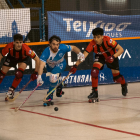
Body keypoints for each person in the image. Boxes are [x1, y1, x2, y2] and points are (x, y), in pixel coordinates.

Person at [70, 27, 128, 100]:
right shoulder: (92, 44)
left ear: (102, 36)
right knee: (94, 71)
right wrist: (75, 65)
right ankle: (95, 92)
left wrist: (113, 57)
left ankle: (123, 84)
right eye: (94, 37)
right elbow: (83, 56)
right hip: (100, 56)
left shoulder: (108, 40)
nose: (96, 39)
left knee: (116, 79)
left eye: (98, 37)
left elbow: (121, 49)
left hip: (112, 57)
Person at [37, 35, 85, 104]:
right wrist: (39, 77)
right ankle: (59, 82)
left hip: (61, 64)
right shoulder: (46, 52)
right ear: (49, 44)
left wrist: (80, 53)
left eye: (57, 44)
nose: (56, 46)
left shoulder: (63, 47)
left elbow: (74, 47)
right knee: (54, 79)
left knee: (53, 78)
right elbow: (41, 66)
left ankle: (49, 95)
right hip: (50, 67)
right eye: (53, 44)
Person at [0, 34, 40, 101]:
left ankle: (11, 91)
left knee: (19, 73)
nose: (19, 44)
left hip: (23, 59)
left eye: (20, 42)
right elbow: (0, 56)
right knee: (1, 75)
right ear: (13, 42)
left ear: (22, 42)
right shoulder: (9, 47)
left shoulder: (26, 49)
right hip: (12, 58)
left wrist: (35, 72)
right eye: (17, 42)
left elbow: (37, 59)